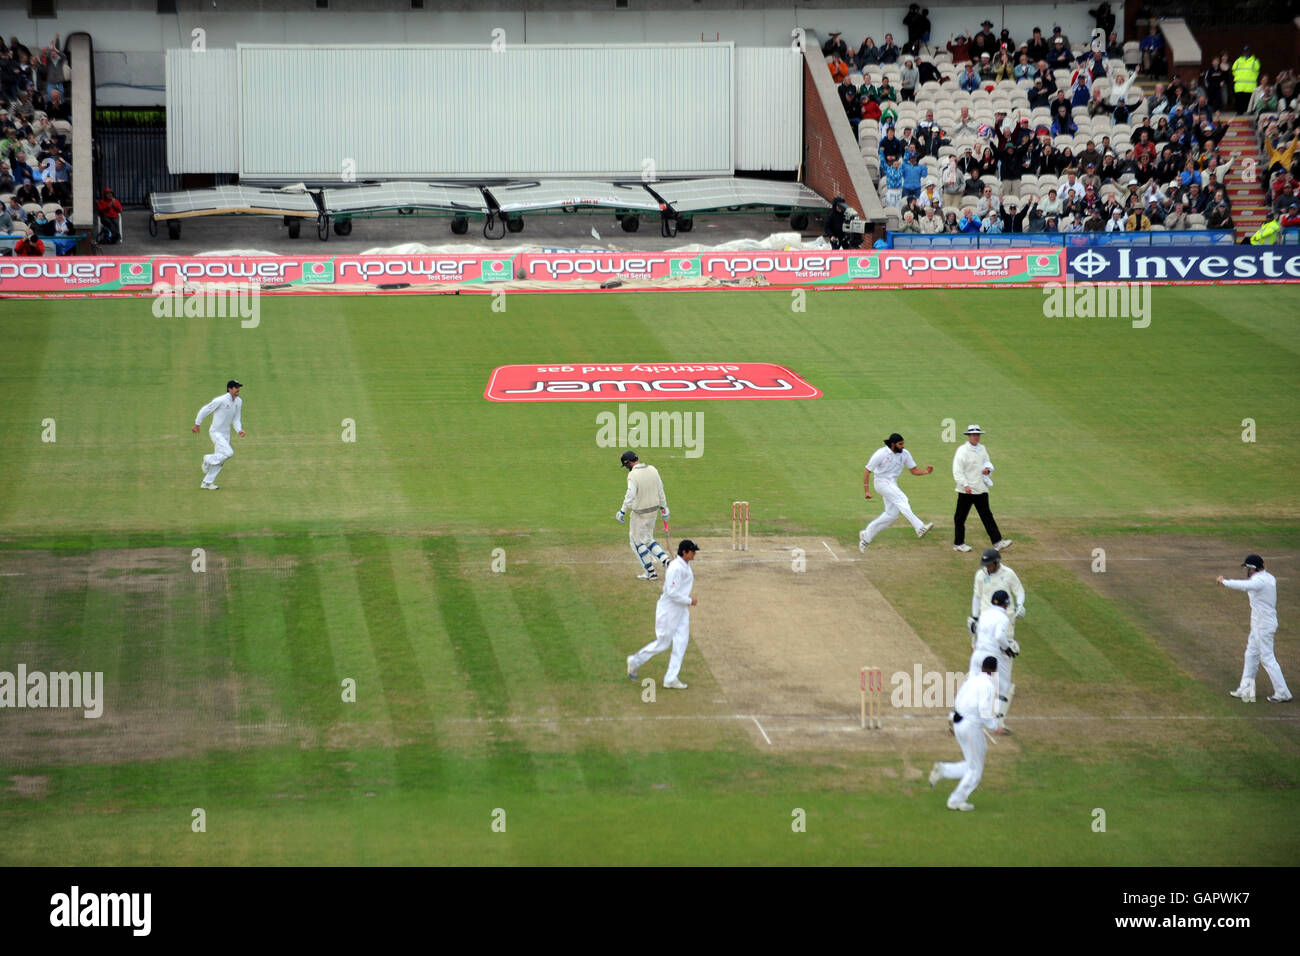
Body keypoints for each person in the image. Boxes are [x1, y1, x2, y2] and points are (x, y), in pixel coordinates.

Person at [929, 655, 1001, 810]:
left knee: (974, 761)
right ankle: (956, 800)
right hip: (970, 726)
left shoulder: (972, 679)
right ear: (995, 670)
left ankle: (943, 769)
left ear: (982, 667)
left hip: (958, 721)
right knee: (976, 770)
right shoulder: (988, 685)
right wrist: (995, 726)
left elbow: (959, 698)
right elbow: (984, 710)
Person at [1218, 555, 1292, 703]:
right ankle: (1245, 688)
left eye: (1247, 568)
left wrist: (1224, 582)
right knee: (1251, 654)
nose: (1246, 570)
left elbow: (1244, 586)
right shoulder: (1269, 577)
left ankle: (1283, 692)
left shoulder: (1259, 581)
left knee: (1267, 658)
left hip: (1263, 624)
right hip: (1260, 622)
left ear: (1253, 569)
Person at [627, 539, 699, 690]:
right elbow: (672, 593)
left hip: (680, 610)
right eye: (692, 551)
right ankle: (635, 661)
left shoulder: (683, 565)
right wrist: (689, 600)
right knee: (663, 643)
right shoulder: (675, 568)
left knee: (681, 642)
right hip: (669, 610)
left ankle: (671, 678)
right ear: (685, 552)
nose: (694, 554)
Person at [860, 432, 934, 551]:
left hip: (892, 484)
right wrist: (866, 491)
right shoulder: (881, 453)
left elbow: (914, 470)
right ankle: (919, 528)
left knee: (891, 515)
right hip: (881, 483)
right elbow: (867, 471)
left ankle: (866, 536)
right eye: (900, 444)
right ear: (893, 444)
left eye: (903, 443)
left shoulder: (905, 454)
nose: (903, 446)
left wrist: (926, 472)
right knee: (902, 499)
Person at [951, 425, 1011, 552]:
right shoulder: (962, 450)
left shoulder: (982, 449)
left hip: (981, 489)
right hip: (966, 490)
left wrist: (987, 469)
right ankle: (958, 544)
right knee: (960, 518)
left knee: (987, 516)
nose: (976, 437)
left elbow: (988, 463)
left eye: (977, 435)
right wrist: (965, 485)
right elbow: (957, 470)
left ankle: (998, 542)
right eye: (973, 435)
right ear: (969, 436)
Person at [615, 450, 671, 581]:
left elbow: (630, 495)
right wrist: (664, 507)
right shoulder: (653, 469)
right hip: (653, 512)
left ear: (628, 463)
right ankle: (666, 561)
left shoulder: (633, 475)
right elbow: (660, 490)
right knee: (648, 539)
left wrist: (622, 510)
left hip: (639, 514)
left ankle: (650, 572)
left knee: (636, 542)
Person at [192, 380, 245, 490]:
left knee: (220, 461)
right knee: (229, 453)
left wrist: (239, 430)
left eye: (238, 387)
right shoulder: (220, 400)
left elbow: (236, 419)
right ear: (229, 389)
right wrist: (197, 423)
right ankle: (208, 458)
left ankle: (206, 483)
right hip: (216, 432)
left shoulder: (239, 401)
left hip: (226, 434)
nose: (238, 389)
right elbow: (205, 410)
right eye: (235, 387)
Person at [1232, 45, 1260, 114]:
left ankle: (1250, 111)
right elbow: (1233, 71)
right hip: (1240, 85)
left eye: (1247, 51)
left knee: (1249, 101)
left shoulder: (1255, 61)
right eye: (1245, 51)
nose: (1246, 53)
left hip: (1250, 85)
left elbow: (1257, 71)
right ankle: (1240, 112)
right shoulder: (1238, 61)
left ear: (1250, 52)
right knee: (1239, 101)